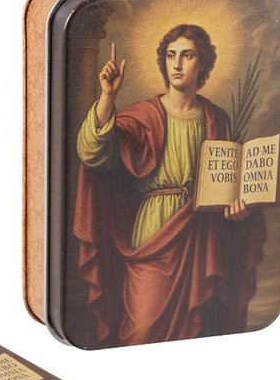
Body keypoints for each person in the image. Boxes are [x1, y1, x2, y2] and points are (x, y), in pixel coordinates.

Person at [74, 24, 266, 346]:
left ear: (202, 63)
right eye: (170, 55)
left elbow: (228, 184)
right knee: (142, 328)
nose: (177, 64)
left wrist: (238, 210)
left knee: (200, 329)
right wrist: (108, 96)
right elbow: (91, 152)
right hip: (154, 232)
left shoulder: (217, 119)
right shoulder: (143, 116)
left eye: (187, 55)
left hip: (202, 236)